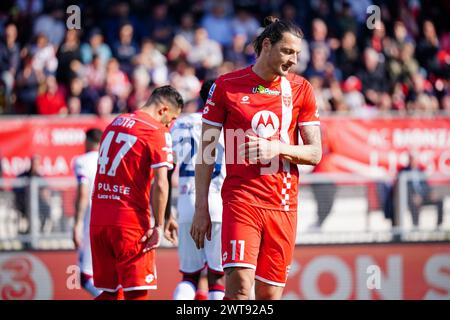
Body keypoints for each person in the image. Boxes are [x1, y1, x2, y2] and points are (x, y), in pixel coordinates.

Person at [190, 17, 322, 300]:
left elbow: (314, 152)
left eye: (297, 54)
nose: (293, 60)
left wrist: (276, 149)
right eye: (287, 51)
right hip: (241, 200)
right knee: (238, 289)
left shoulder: (301, 90)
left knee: (269, 296)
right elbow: (206, 151)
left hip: (283, 206)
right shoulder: (226, 86)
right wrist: (201, 206)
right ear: (267, 45)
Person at [90, 85, 183, 300]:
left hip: (99, 220)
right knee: (137, 293)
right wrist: (159, 225)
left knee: (110, 293)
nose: (170, 125)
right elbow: (161, 183)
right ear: (163, 110)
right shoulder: (155, 131)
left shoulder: (115, 123)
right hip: (130, 222)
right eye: (172, 118)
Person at [170, 79, 225, 300]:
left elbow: (166, 168)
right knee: (217, 276)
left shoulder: (180, 124)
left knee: (189, 277)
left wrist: (165, 213)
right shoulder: (227, 123)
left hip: (186, 201)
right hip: (217, 203)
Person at [72, 128, 103, 297]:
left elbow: (83, 193)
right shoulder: (110, 159)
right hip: (113, 217)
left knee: (85, 276)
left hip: (92, 221)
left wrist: (77, 224)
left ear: (88, 141)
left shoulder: (82, 161)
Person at [401, 152, 444, 229]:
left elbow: (426, 185)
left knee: (439, 201)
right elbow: (404, 187)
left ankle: (439, 226)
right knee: (414, 203)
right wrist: (414, 195)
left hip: (423, 196)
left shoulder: (420, 171)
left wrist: (431, 192)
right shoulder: (404, 171)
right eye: (413, 159)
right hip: (412, 198)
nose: (415, 161)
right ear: (410, 160)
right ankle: (416, 227)